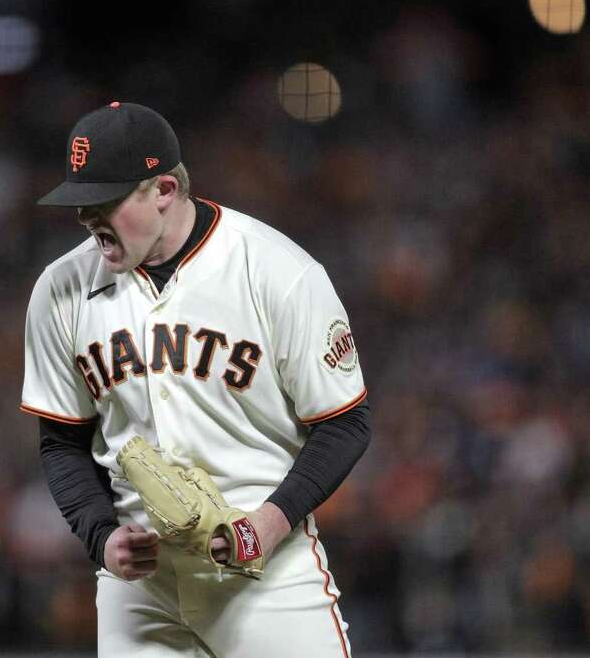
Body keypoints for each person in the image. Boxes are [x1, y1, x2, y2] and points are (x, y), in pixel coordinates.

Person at [21, 101, 370, 656]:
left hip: (266, 572)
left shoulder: (277, 271)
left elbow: (345, 423)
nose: (86, 218)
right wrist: (102, 535)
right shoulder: (60, 290)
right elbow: (61, 442)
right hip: (140, 586)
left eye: (103, 201)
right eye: (80, 202)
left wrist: (270, 524)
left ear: (162, 189)